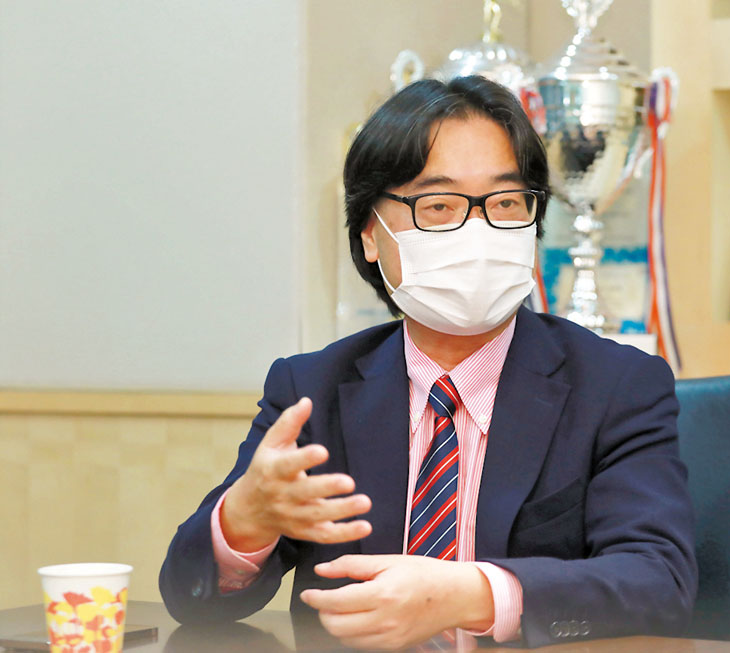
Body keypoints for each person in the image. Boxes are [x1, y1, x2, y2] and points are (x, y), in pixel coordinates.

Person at [159, 75, 697, 649]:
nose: (479, 229)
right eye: (439, 205)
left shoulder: (616, 386)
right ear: (371, 235)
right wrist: (244, 520)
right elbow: (192, 600)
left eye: (505, 203)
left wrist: (475, 594)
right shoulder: (312, 388)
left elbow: (660, 581)